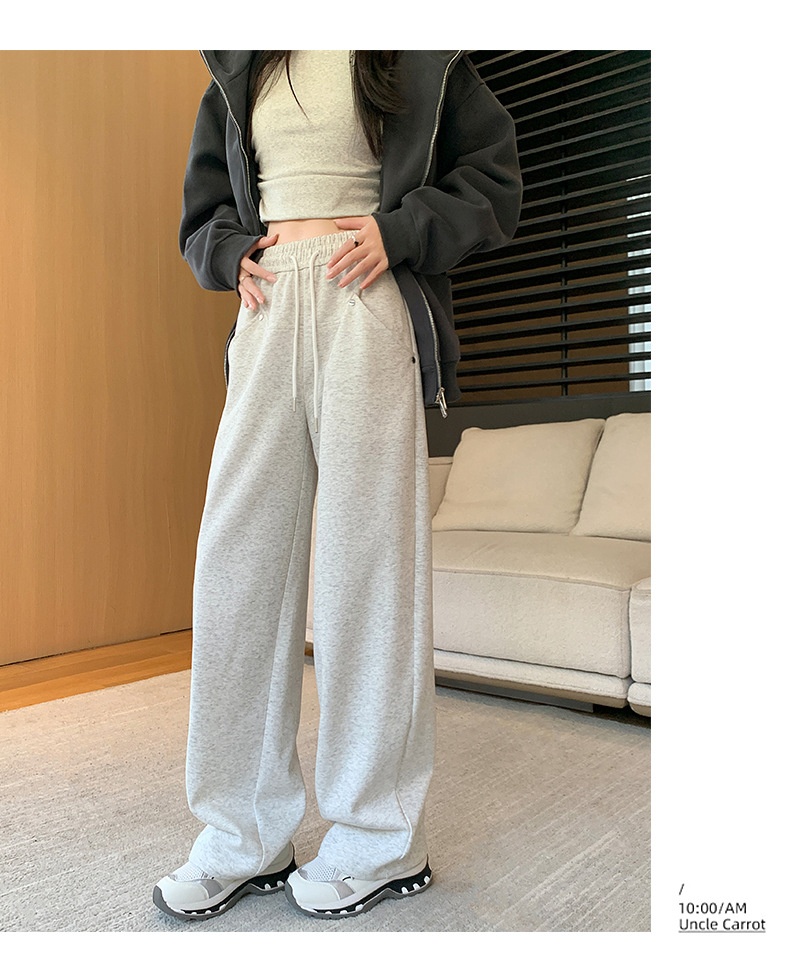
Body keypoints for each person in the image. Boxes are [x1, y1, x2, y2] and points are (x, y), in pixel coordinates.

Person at [153, 49, 522, 922]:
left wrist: (401, 231)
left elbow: (493, 182)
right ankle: (242, 835)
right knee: (236, 571)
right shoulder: (242, 61)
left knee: (368, 574)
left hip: (367, 295)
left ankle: (379, 841)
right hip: (266, 307)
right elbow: (204, 210)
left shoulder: (416, 51)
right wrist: (229, 252)